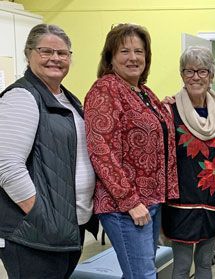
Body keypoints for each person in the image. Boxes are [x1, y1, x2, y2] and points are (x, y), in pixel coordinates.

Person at [0, 23, 97, 278]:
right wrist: (42, 216)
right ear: (28, 53)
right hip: (35, 233)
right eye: (46, 51)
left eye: (63, 53)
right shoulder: (22, 96)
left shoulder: (66, 98)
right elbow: (7, 166)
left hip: (65, 227)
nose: (55, 58)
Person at [84, 23, 179, 279]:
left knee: (140, 272)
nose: (133, 57)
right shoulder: (105, 90)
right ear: (110, 57)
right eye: (124, 51)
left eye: (139, 51)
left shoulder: (144, 92)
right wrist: (130, 202)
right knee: (143, 275)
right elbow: (101, 150)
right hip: (124, 206)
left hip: (150, 200)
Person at [162, 46, 215, 279]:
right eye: (189, 71)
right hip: (181, 202)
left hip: (214, 200)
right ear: (182, 75)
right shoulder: (168, 110)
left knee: (204, 263)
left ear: (211, 75)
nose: (195, 77)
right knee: (181, 266)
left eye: (202, 71)